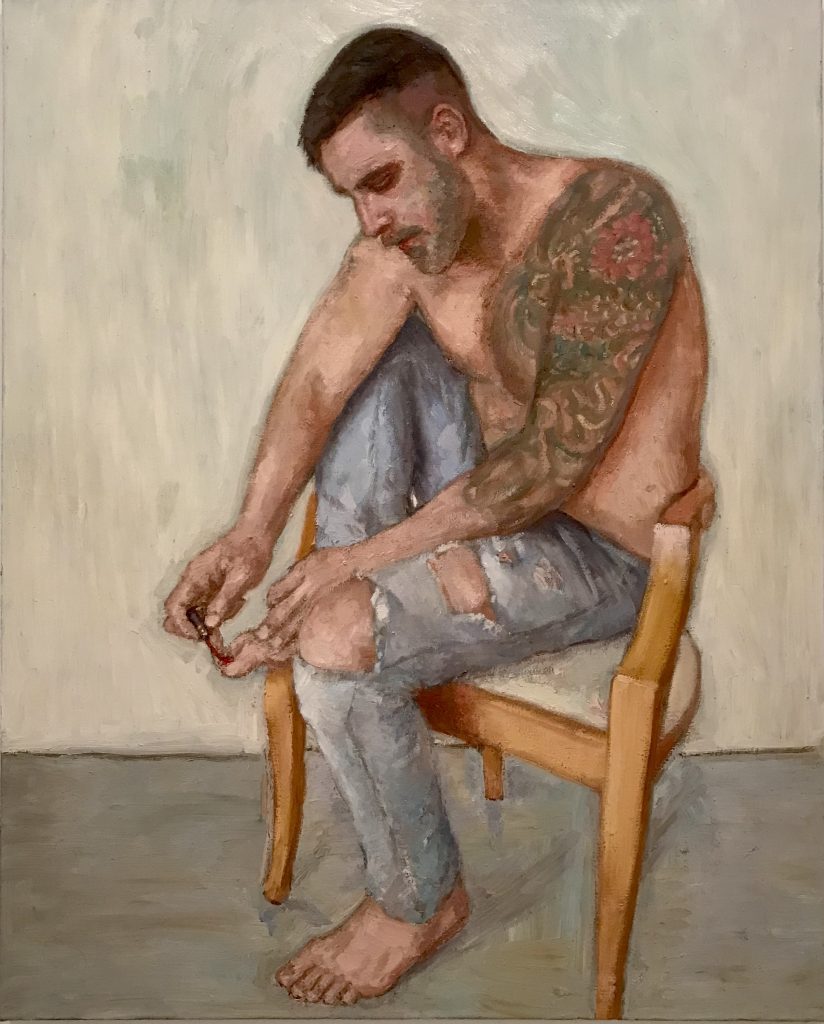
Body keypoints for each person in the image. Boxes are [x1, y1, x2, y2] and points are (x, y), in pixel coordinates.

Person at [163, 26, 708, 1007]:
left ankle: (417, 900)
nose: (371, 220)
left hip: (607, 555)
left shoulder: (612, 220)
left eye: (380, 181)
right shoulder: (413, 239)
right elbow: (316, 378)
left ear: (448, 132)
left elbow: (551, 461)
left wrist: (361, 560)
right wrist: (250, 533)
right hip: (483, 511)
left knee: (337, 626)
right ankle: (329, 610)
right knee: (376, 366)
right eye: (353, 197)